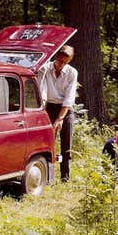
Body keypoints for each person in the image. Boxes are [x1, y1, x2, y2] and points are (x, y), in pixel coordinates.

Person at [39, 45, 78, 182]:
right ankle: (48, 177)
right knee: (48, 143)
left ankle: (65, 177)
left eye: (64, 62)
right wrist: (42, 110)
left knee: (66, 144)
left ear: (69, 61)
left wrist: (60, 118)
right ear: (56, 57)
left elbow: (69, 97)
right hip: (49, 107)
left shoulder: (72, 72)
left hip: (65, 110)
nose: (60, 64)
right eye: (59, 60)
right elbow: (42, 90)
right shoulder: (45, 68)